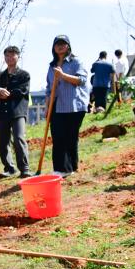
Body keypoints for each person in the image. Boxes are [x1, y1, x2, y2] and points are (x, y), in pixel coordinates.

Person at [46, 35, 91, 177]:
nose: (60, 46)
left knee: (70, 137)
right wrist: (48, 108)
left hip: (74, 106)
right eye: (57, 44)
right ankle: (61, 168)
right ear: (53, 47)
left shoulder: (76, 61)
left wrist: (63, 75)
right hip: (57, 105)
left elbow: (82, 80)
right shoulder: (52, 66)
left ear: (68, 46)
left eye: (63, 44)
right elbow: (49, 88)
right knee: (58, 136)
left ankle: (70, 167)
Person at [0, 45, 32, 178]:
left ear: (18, 56)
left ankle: (24, 168)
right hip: (1, 113)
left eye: (12, 55)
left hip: (17, 112)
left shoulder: (24, 75)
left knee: (19, 138)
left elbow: (22, 91)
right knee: (3, 141)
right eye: (7, 55)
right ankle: (9, 168)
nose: (9, 58)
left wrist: (5, 94)